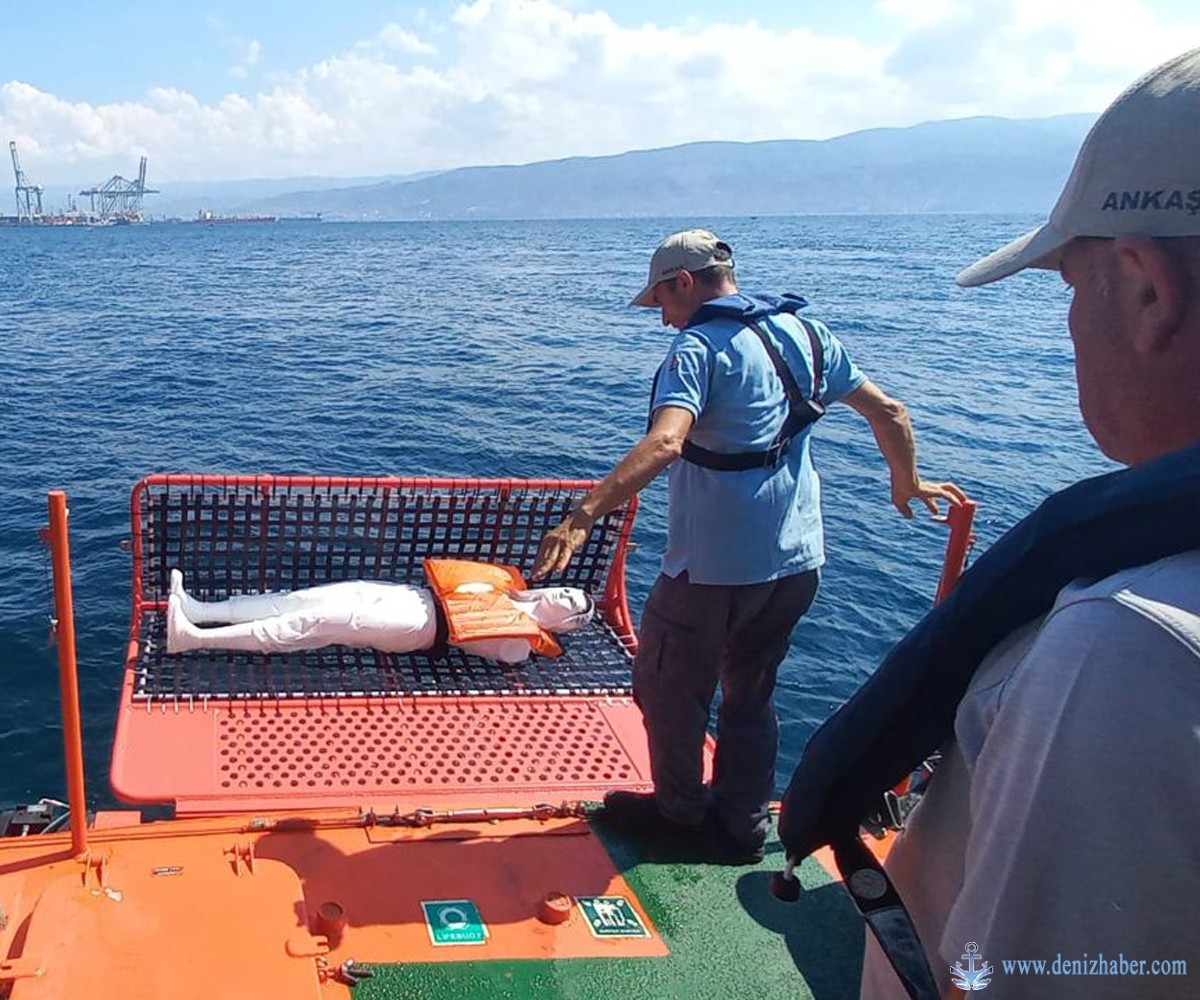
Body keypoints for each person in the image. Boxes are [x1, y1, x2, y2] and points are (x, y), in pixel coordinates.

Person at [855, 48, 1200, 998]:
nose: (1069, 324)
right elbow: (886, 411)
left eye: (1071, 286)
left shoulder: (1135, 649)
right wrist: (907, 474)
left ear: (1145, 287)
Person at [531, 228, 960, 864]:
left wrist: (582, 516)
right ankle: (740, 825)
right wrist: (908, 481)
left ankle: (678, 814)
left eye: (661, 304)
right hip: (796, 561)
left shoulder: (698, 351)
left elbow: (666, 442)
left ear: (683, 283)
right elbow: (890, 412)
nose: (663, 319)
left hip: (711, 568)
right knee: (751, 692)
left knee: (667, 689)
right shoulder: (808, 334)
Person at [166, 566, 595, 665]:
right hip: (409, 597)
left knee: (313, 625)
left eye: (573, 603)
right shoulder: (507, 585)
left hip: (418, 627)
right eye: (572, 590)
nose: (565, 593)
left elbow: (492, 643)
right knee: (300, 601)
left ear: (565, 624)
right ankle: (202, 610)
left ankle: (194, 638)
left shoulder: (520, 644)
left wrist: (527, 619)